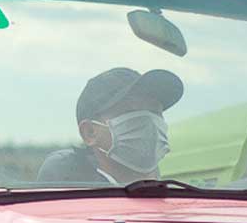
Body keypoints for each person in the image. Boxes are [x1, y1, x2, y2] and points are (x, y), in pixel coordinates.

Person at [37, 67, 184, 186]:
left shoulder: (182, 199)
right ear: (90, 132)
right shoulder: (68, 202)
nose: (149, 124)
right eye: (130, 112)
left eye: (155, 112)